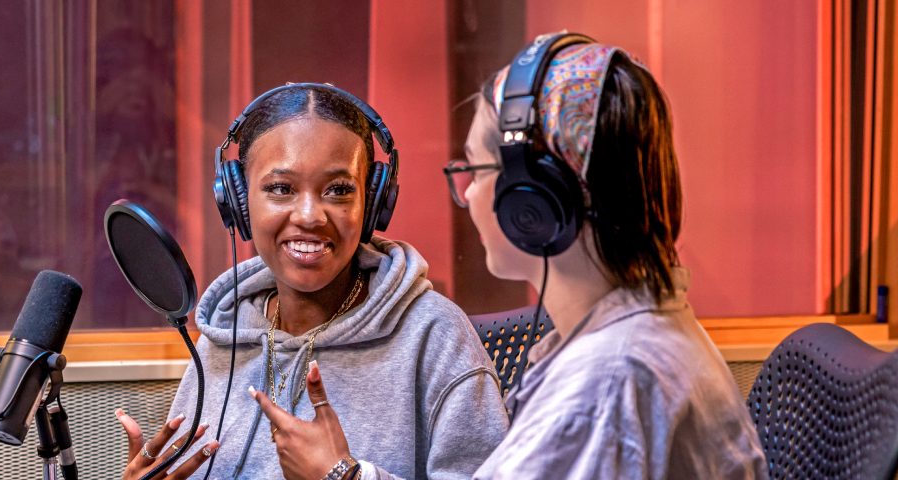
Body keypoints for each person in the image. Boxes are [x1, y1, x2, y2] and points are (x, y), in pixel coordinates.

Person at [115, 84, 509, 480]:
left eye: (338, 190)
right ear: (237, 201)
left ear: (372, 204)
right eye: (281, 189)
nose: (309, 215)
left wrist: (347, 476)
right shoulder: (224, 336)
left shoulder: (435, 335)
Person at [444, 34, 764, 478]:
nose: (469, 194)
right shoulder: (637, 335)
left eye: (475, 170)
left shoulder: (603, 392)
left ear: (531, 200)